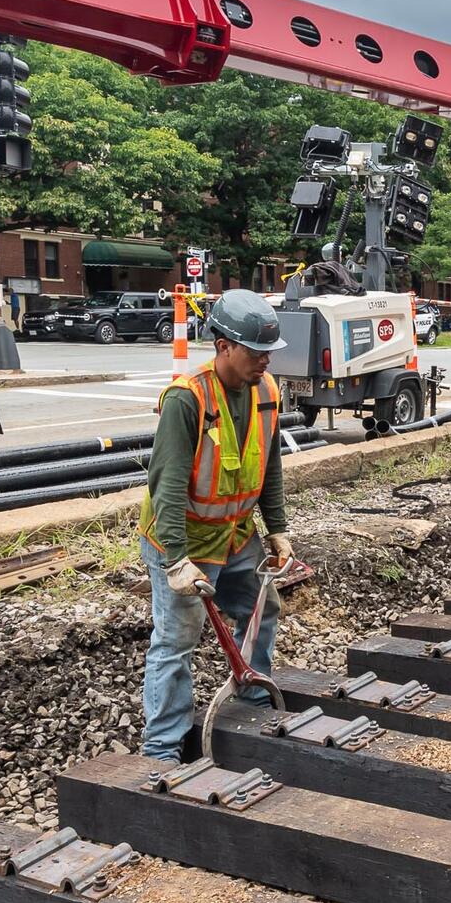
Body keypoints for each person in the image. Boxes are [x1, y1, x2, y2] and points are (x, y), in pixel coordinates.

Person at [138, 289, 296, 760]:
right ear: (224, 345)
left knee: (261, 608)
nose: (265, 360)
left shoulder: (267, 392)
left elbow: (269, 465)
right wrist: (175, 561)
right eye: (256, 351)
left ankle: (251, 704)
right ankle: (163, 748)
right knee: (176, 641)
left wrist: (278, 528)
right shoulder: (188, 400)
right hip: (185, 539)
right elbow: (165, 485)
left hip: (236, 535)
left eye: (270, 351)